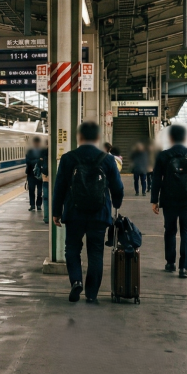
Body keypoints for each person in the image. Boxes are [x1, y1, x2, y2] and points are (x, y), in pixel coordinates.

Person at [53, 122, 124, 303]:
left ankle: (76, 281)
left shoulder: (68, 158)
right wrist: (116, 204)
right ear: (98, 138)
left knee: (72, 249)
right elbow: (118, 187)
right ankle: (91, 294)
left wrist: (56, 212)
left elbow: (59, 187)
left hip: (74, 212)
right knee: (95, 252)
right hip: (99, 214)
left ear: (79, 137)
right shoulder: (107, 159)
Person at [151, 124, 187, 278]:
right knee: (186, 232)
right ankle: (184, 268)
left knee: (169, 231)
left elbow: (156, 179)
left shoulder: (163, 156)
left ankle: (170, 263)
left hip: (169, 200)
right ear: (184, 138)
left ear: (170, 138)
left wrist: (154, 200)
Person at [25, 136, 45, 212]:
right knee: (31, 190)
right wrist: (38, 160)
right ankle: (32, 205)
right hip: (30, 174)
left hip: (39, 174)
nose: (36, 144)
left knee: (40, 191)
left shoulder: (43, 151)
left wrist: (34, 161)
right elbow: (27, 161)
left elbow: (44, 161)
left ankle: (39, 205)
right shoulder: (29, 151)